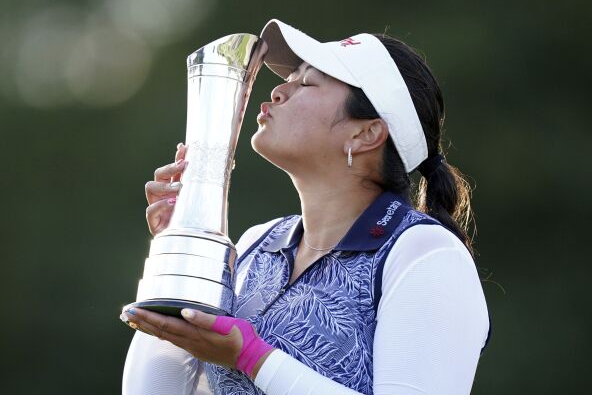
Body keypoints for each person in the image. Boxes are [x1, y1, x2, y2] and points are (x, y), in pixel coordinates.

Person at [120, 19, 491, 395]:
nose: (278, 91)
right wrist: (177, 249)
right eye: (290, 78)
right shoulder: (256, 245)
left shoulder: (427, 255)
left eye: (307, 83)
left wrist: (253, 358)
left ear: (366, 133)